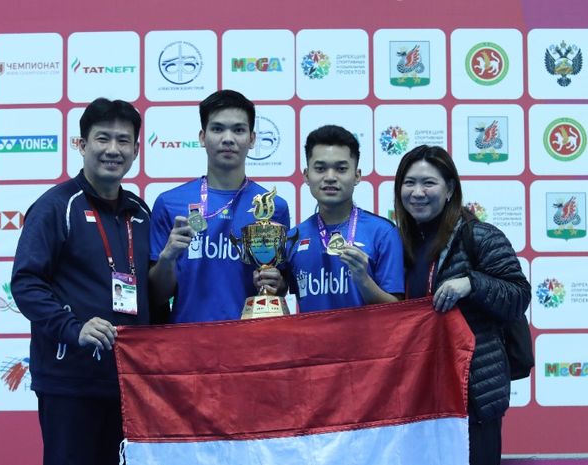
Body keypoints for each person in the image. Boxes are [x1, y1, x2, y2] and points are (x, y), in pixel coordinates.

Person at [11, 98, 150, 465]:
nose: (113, 149)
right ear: (82, 144)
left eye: (124, 141)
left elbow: (152, 289)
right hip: (70, 381)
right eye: (102, 138)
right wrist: (73, 328)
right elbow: (26, 282)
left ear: (136, 150)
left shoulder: (139, 212)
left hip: (131, 383)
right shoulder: (57, 206)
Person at [393, 144, 531, 465]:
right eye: (409, 182)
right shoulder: (399, 243)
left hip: (475, 394)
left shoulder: (479, 236)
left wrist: (472, 283)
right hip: (421, 391)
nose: (417, 192)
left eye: (429, 183)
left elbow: (518, 295)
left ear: (450, 188)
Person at [149, 89, 290, 322]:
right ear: (202, 137)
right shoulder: (169, 203)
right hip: (187, 343)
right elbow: (157, 296)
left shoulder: (273, 207)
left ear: (252, 139)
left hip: (250, 343)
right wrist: (167, 258)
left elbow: (280, 288)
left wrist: (276, 282)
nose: (228, 138)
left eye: (238, 130)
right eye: (217, 129)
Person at [283, 124, 404, 312]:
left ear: (357, 176)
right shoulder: (294, 237)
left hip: (368, 342)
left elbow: (398, 311)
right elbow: (283, 290)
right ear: (307, 176)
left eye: (341, 169)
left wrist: (363, 280)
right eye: (320, 168)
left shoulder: (383, 233)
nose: (330, 177)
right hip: (312, 342)